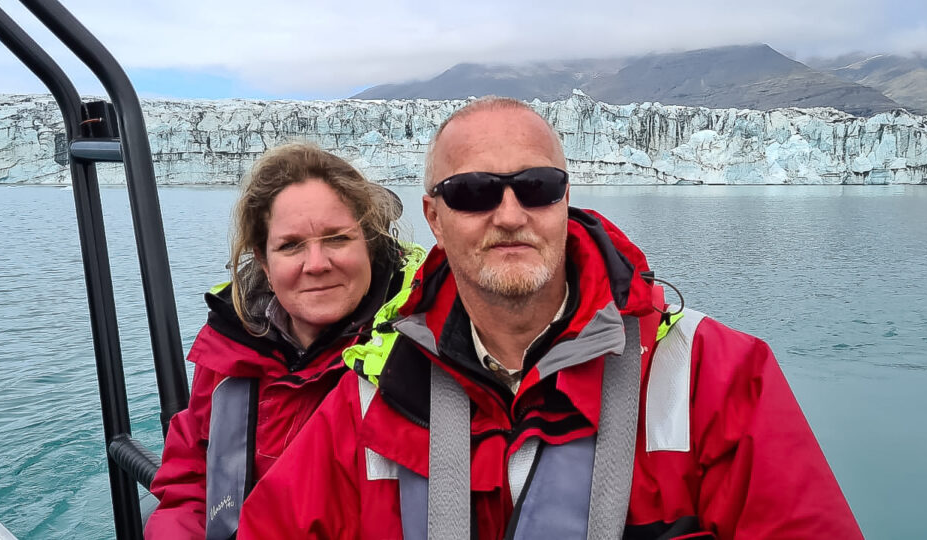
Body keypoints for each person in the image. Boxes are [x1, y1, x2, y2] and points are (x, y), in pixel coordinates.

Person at [238, 98, 862, 539]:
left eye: (536, 186)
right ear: (434, 218)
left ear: (566, 198)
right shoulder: (375, 395)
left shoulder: (712, 374)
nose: (510, 215)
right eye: (474, 192)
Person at [144, 142, 422, 539]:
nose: (317, 264)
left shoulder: (417, 353)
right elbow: (190, 480)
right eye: (291, 245)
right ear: (264, 260)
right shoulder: (231, 349)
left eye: (337, 238)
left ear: (370, 245)